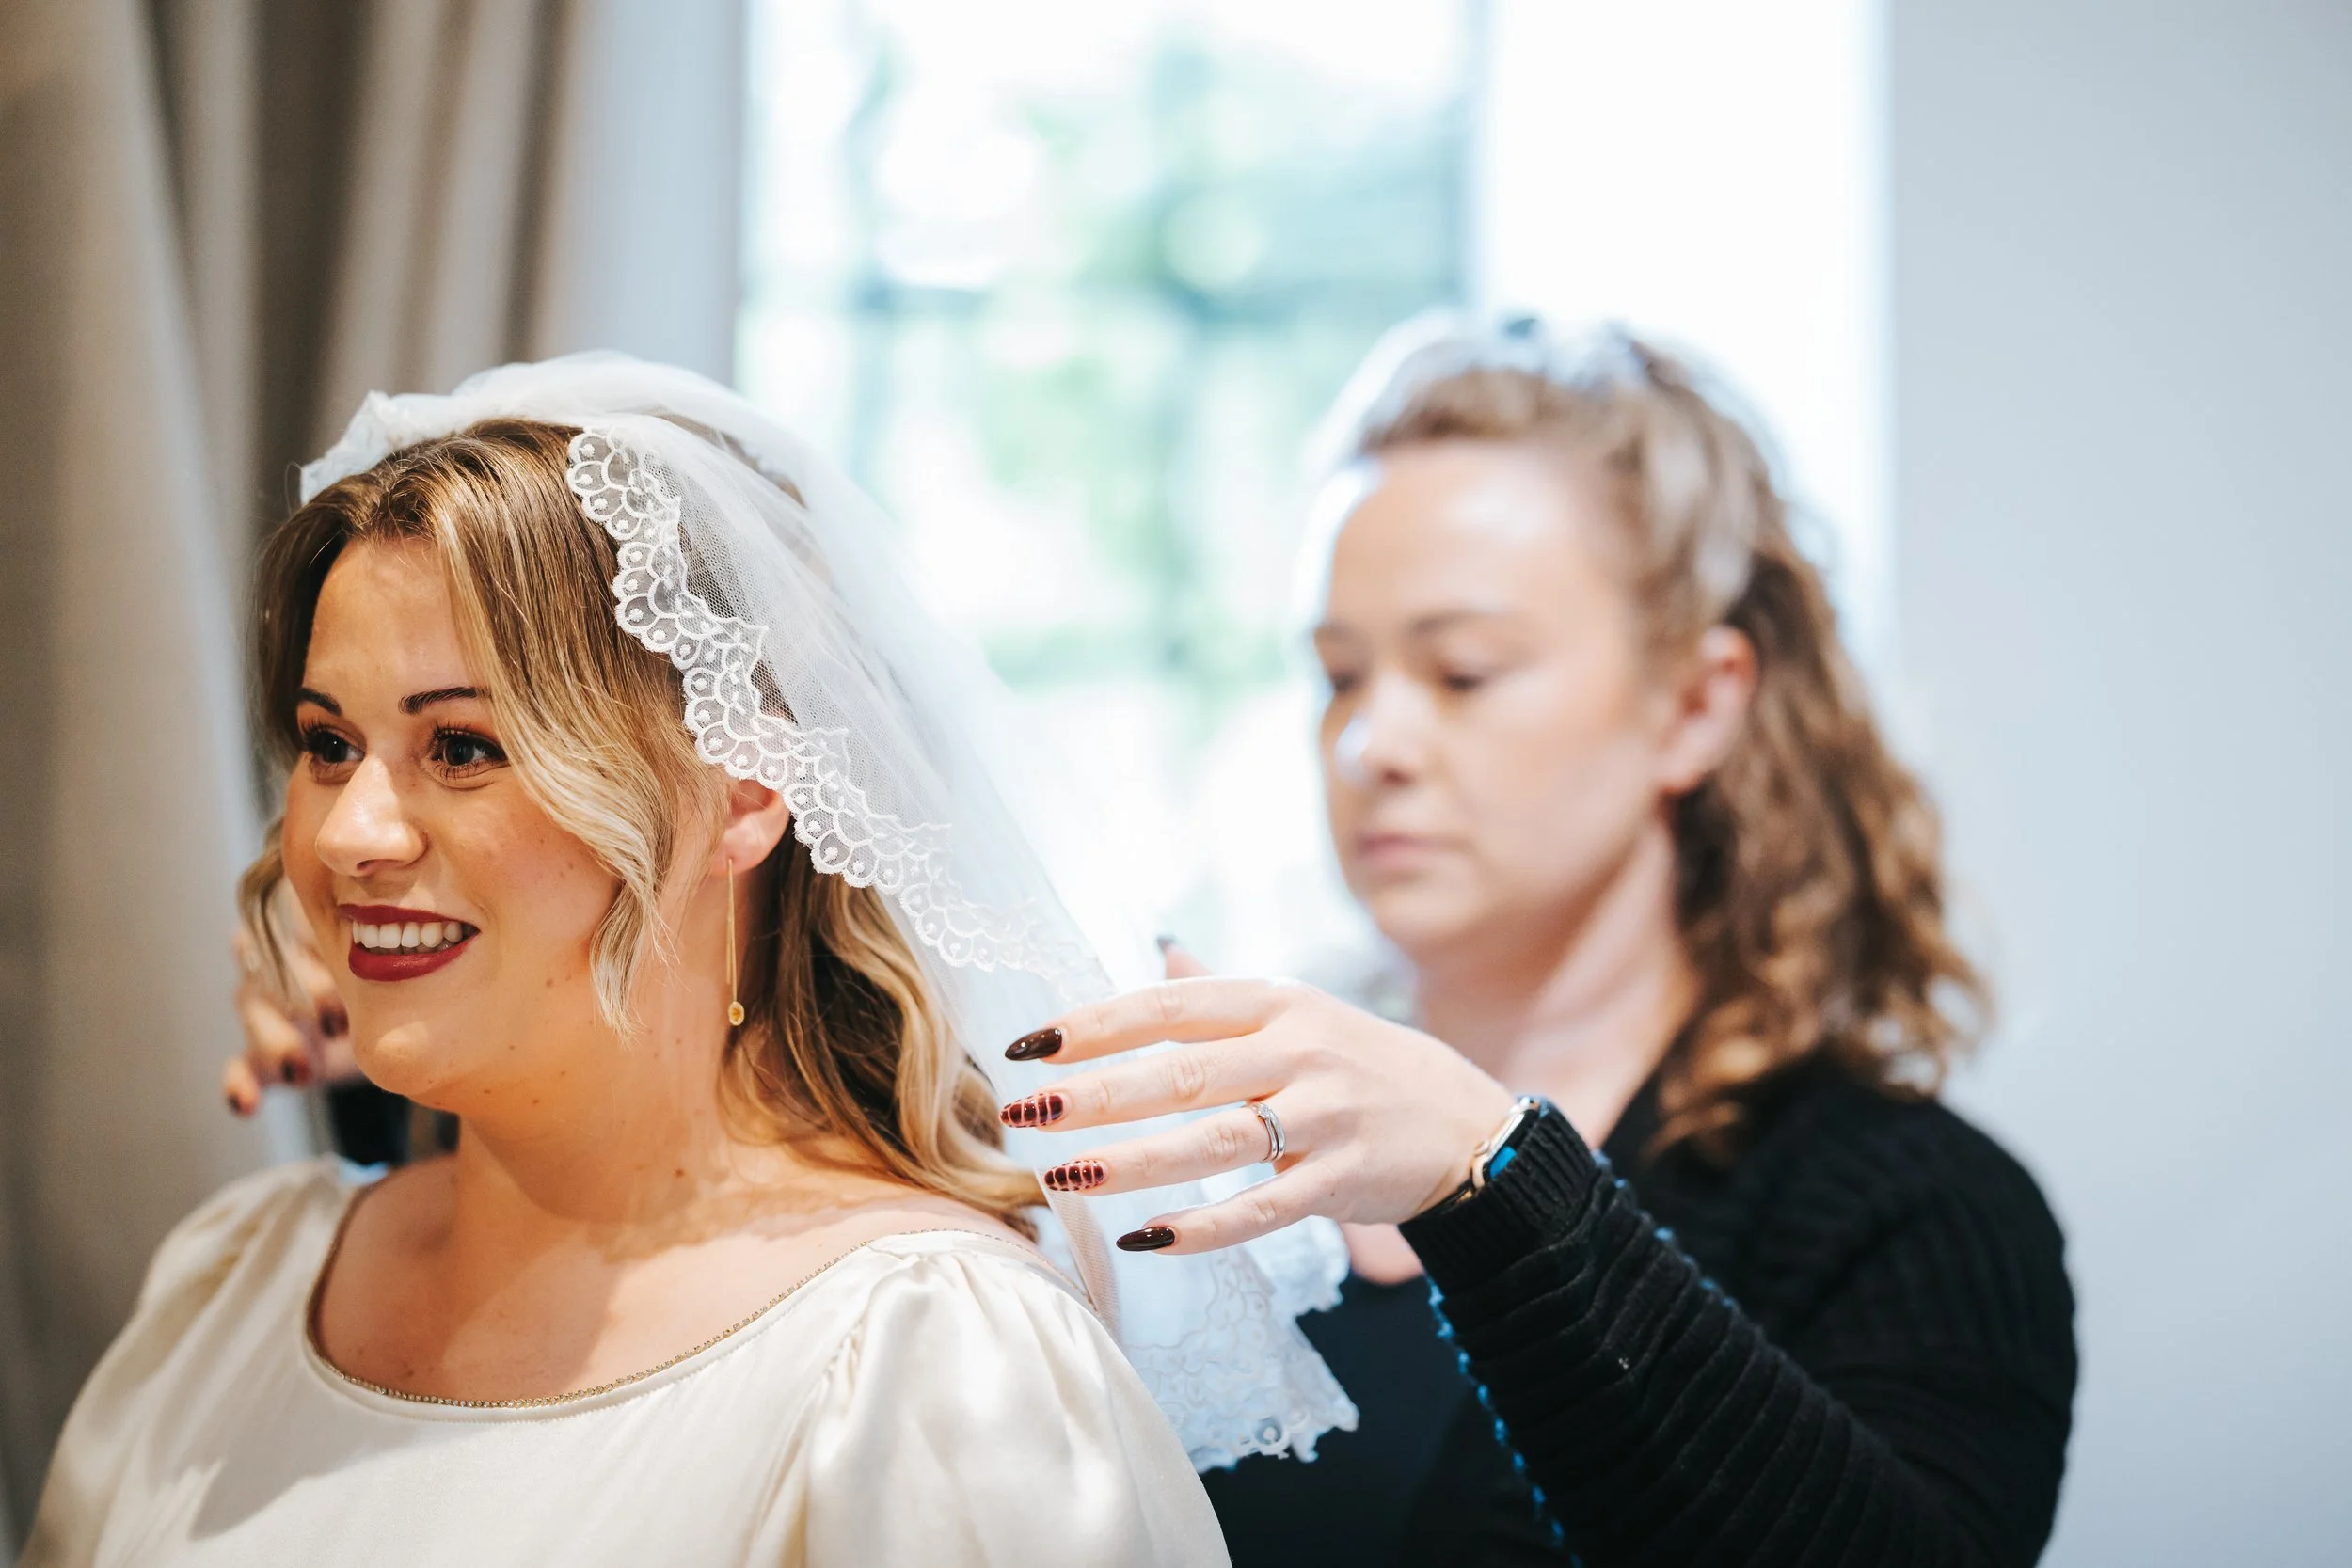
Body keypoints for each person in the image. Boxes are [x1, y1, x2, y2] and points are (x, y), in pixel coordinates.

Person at [26, 356, 1362, 1566]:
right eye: (329, 744)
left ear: (738, 796)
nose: (355, 834)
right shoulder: (236, 1285)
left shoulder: (928, 1365)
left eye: (466, 747)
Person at [1005, 320, 2077, 1566]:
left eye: (1464, 672)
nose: (1372, 744)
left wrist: (1487, 1177)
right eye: (1340, 675)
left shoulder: (1909, 1208)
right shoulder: (1215, 1160)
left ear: (1695, 703)